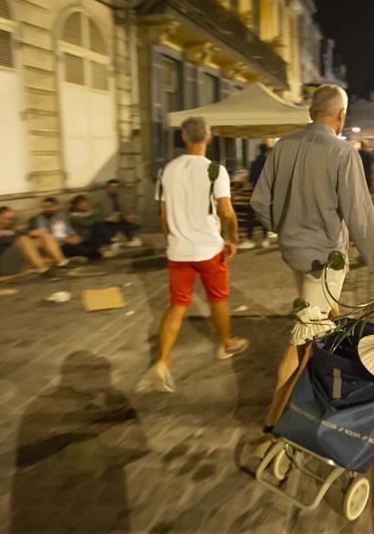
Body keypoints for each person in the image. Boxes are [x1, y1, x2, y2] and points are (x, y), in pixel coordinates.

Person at [251, 84, 374, 448]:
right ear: (341, 115)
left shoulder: (282, 147)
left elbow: (258, 202)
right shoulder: (343, 153)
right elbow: (361, 219)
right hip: (324, 261)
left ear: (310, 111)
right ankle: (273, 427)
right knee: (302, 341)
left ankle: (318, 393)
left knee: (323, 321)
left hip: (295, 254)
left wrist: (283, 227)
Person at [140, 117, 250, 393]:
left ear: (184, 137)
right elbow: (227, 212)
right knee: (218, 299)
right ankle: (225, 344)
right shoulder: (215, 170)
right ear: (208, 138)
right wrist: (233, 239)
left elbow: (162, 214)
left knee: (177, 305)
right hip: (209, 249)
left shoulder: (167, 170)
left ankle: (163, 362)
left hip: (178, 251)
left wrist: (172, 239)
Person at [0, 206, 77, 278]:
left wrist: (34, 234)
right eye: (7, 219)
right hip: (0, 266)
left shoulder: (10, 230)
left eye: (12, 219)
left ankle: (62, 262)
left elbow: (19, 234)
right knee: (23, 239)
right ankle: (42, 269)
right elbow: (4, 239)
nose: (10, 221)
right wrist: (26, 235)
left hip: (17, 262)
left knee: (43, 235)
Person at [30, 197, 103, 261]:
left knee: (89, 241)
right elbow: (46, 237)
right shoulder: (40, 218)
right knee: (81, 249)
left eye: (50, 207)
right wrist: (65, 239)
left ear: (56, 206)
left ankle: (92, 252)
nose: (47, 209)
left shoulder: (61, 216)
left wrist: (75, 236)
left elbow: (69, 229)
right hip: (59, 245)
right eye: (45, 207)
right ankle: (92, 254)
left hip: (69, 240)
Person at [241, 144, 274, 250]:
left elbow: (250, 179)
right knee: (264, 215)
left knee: (251, 215)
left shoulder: (254, 163)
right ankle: (264, 239)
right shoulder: (269, 163)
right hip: (266, 193)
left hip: (255, 192)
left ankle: (249, 238)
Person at [99, 179, 143, 247]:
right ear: (107, 188)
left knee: (129, 219)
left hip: (121, 219)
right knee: (120, 220)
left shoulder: (121, 198)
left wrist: (130, 216)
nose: (115, 189)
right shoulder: (102, 201)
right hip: (108, 221)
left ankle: (126, 240)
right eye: (112, 187)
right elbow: (97, 216)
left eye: (116, 187)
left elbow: (127, 211)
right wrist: (108, 218)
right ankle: (131, 238)